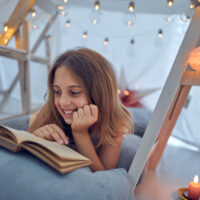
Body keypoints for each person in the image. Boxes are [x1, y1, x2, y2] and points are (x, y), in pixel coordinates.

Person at [28, 48, 133, 172]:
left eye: (74, 92)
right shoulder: (51, 107)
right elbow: (23, 141)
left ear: (98, 94)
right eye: (57, 92)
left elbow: (103, 174)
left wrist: (80, 133)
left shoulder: (115, 122)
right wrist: (35, 138)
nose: (63, 102)